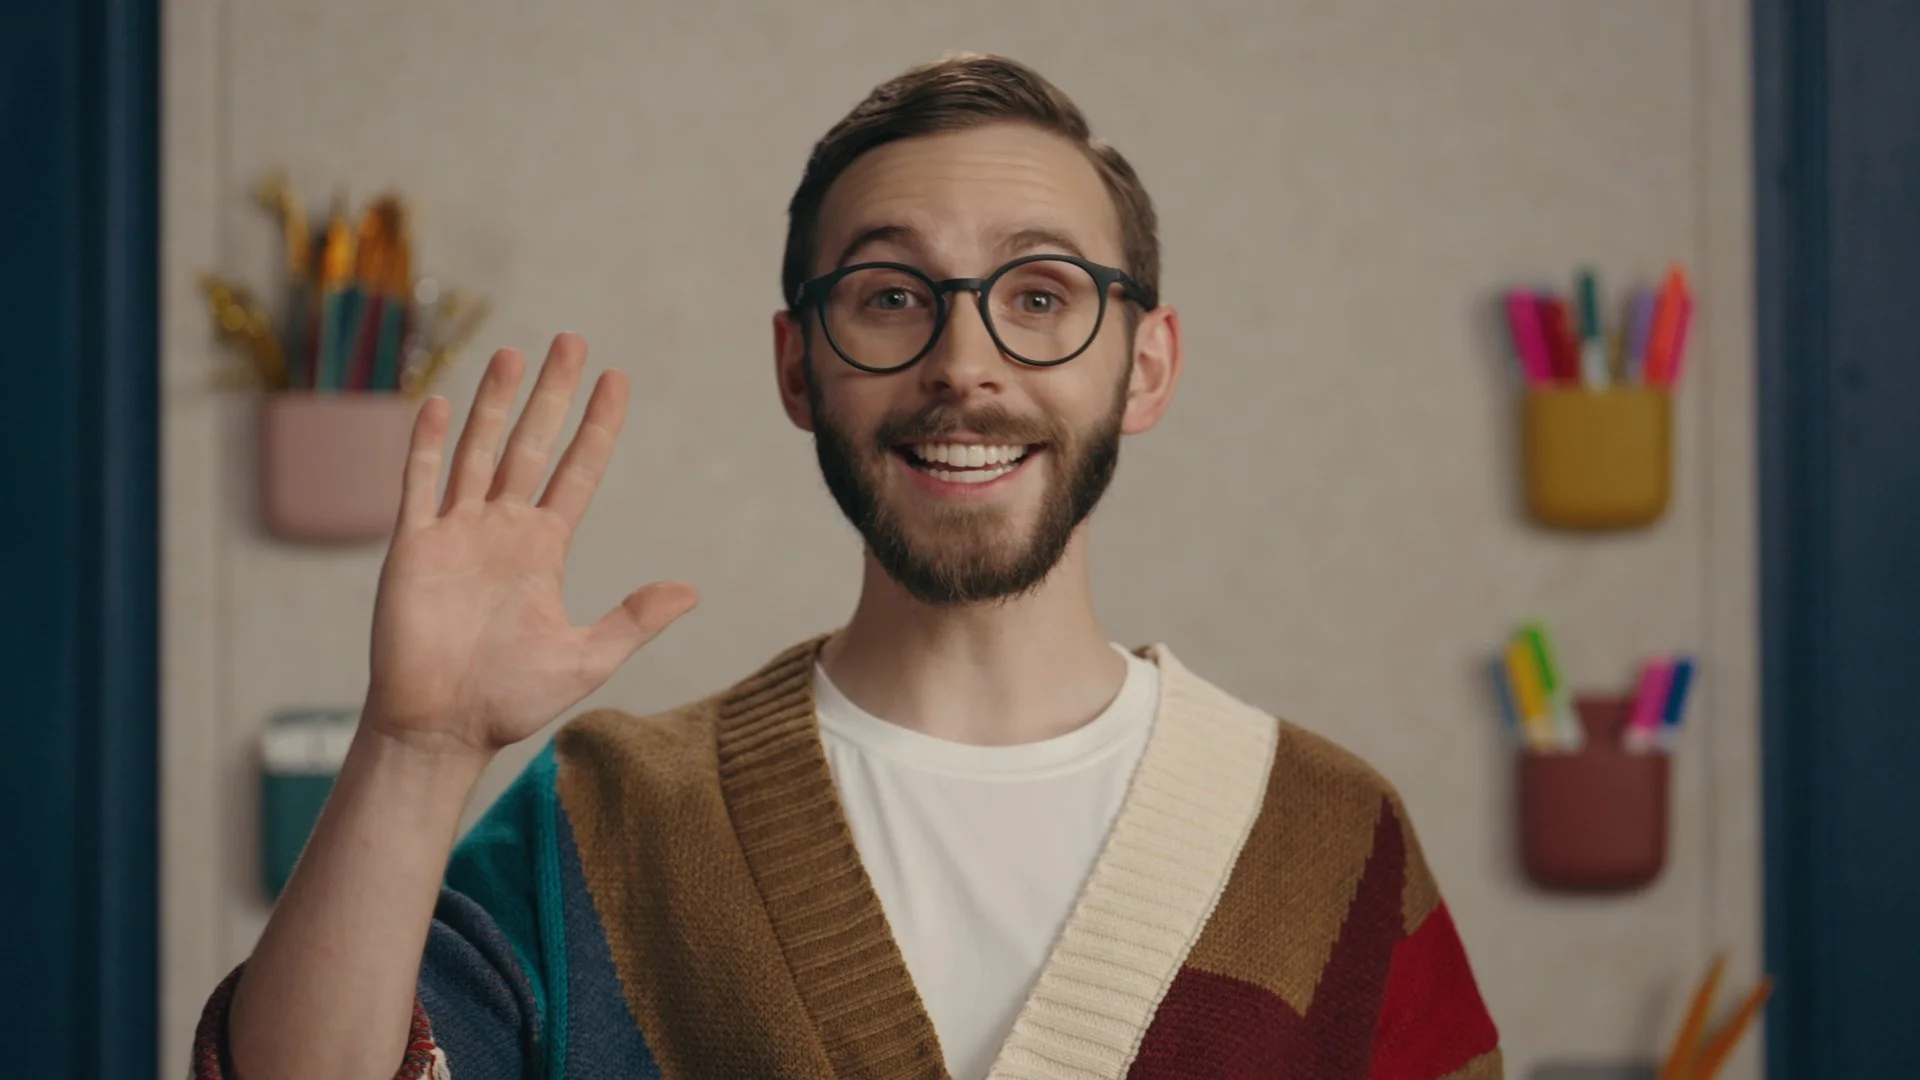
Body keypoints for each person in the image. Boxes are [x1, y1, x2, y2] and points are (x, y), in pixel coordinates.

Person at [195, 53, 1502, 1080]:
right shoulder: (607, 821)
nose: (964, 362)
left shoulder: (1328, 842)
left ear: (1145, 365)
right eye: (889, 297)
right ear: (795, 367)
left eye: (1040, 296)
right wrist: (414, 754)